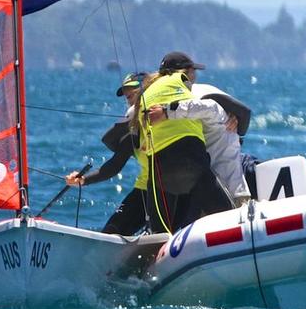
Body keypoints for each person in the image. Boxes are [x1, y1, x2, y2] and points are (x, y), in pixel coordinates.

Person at [134, 61, 233, 232]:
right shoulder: (181, 80)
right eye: (194, 72)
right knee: (228, 218)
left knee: (159, 235)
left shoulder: (143, 95)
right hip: (190, 159)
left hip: (159, 170)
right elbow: (201, 106)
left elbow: (139, 139)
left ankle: (156, 249)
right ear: (185, 72)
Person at [147, 51, 252, 202]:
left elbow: (243, 113)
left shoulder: (197, 93)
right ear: (187, 72)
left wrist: (165, 112)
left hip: (230, 189)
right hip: (201, 186)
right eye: (193, 71)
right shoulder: (177, 96)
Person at [65, 73, 151, 235]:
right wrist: (83, 179)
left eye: (132, 96)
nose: (129, 102)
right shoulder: (131, 135)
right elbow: (113, 166)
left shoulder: (168, 118)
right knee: (112, 230)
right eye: (127, 98)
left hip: (171, 188)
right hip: (144, 190)